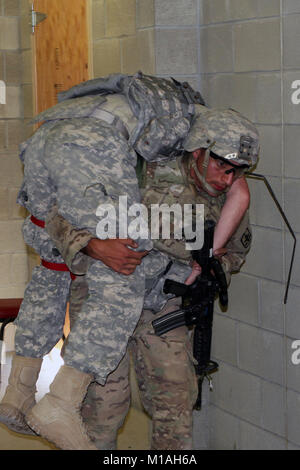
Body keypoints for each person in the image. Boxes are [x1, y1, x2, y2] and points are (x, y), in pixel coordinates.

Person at [0, 74, 257, 449]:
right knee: (103, 409)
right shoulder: (136, 161)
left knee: (175, 400)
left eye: (238, 172)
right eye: (223, 166)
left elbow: (234, 252)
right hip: (103, 299)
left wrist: (212, 270)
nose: (228, 178)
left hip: (162, 306)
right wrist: (92, 246)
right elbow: (56, 215)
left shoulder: (227, 199)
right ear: (199, 150)